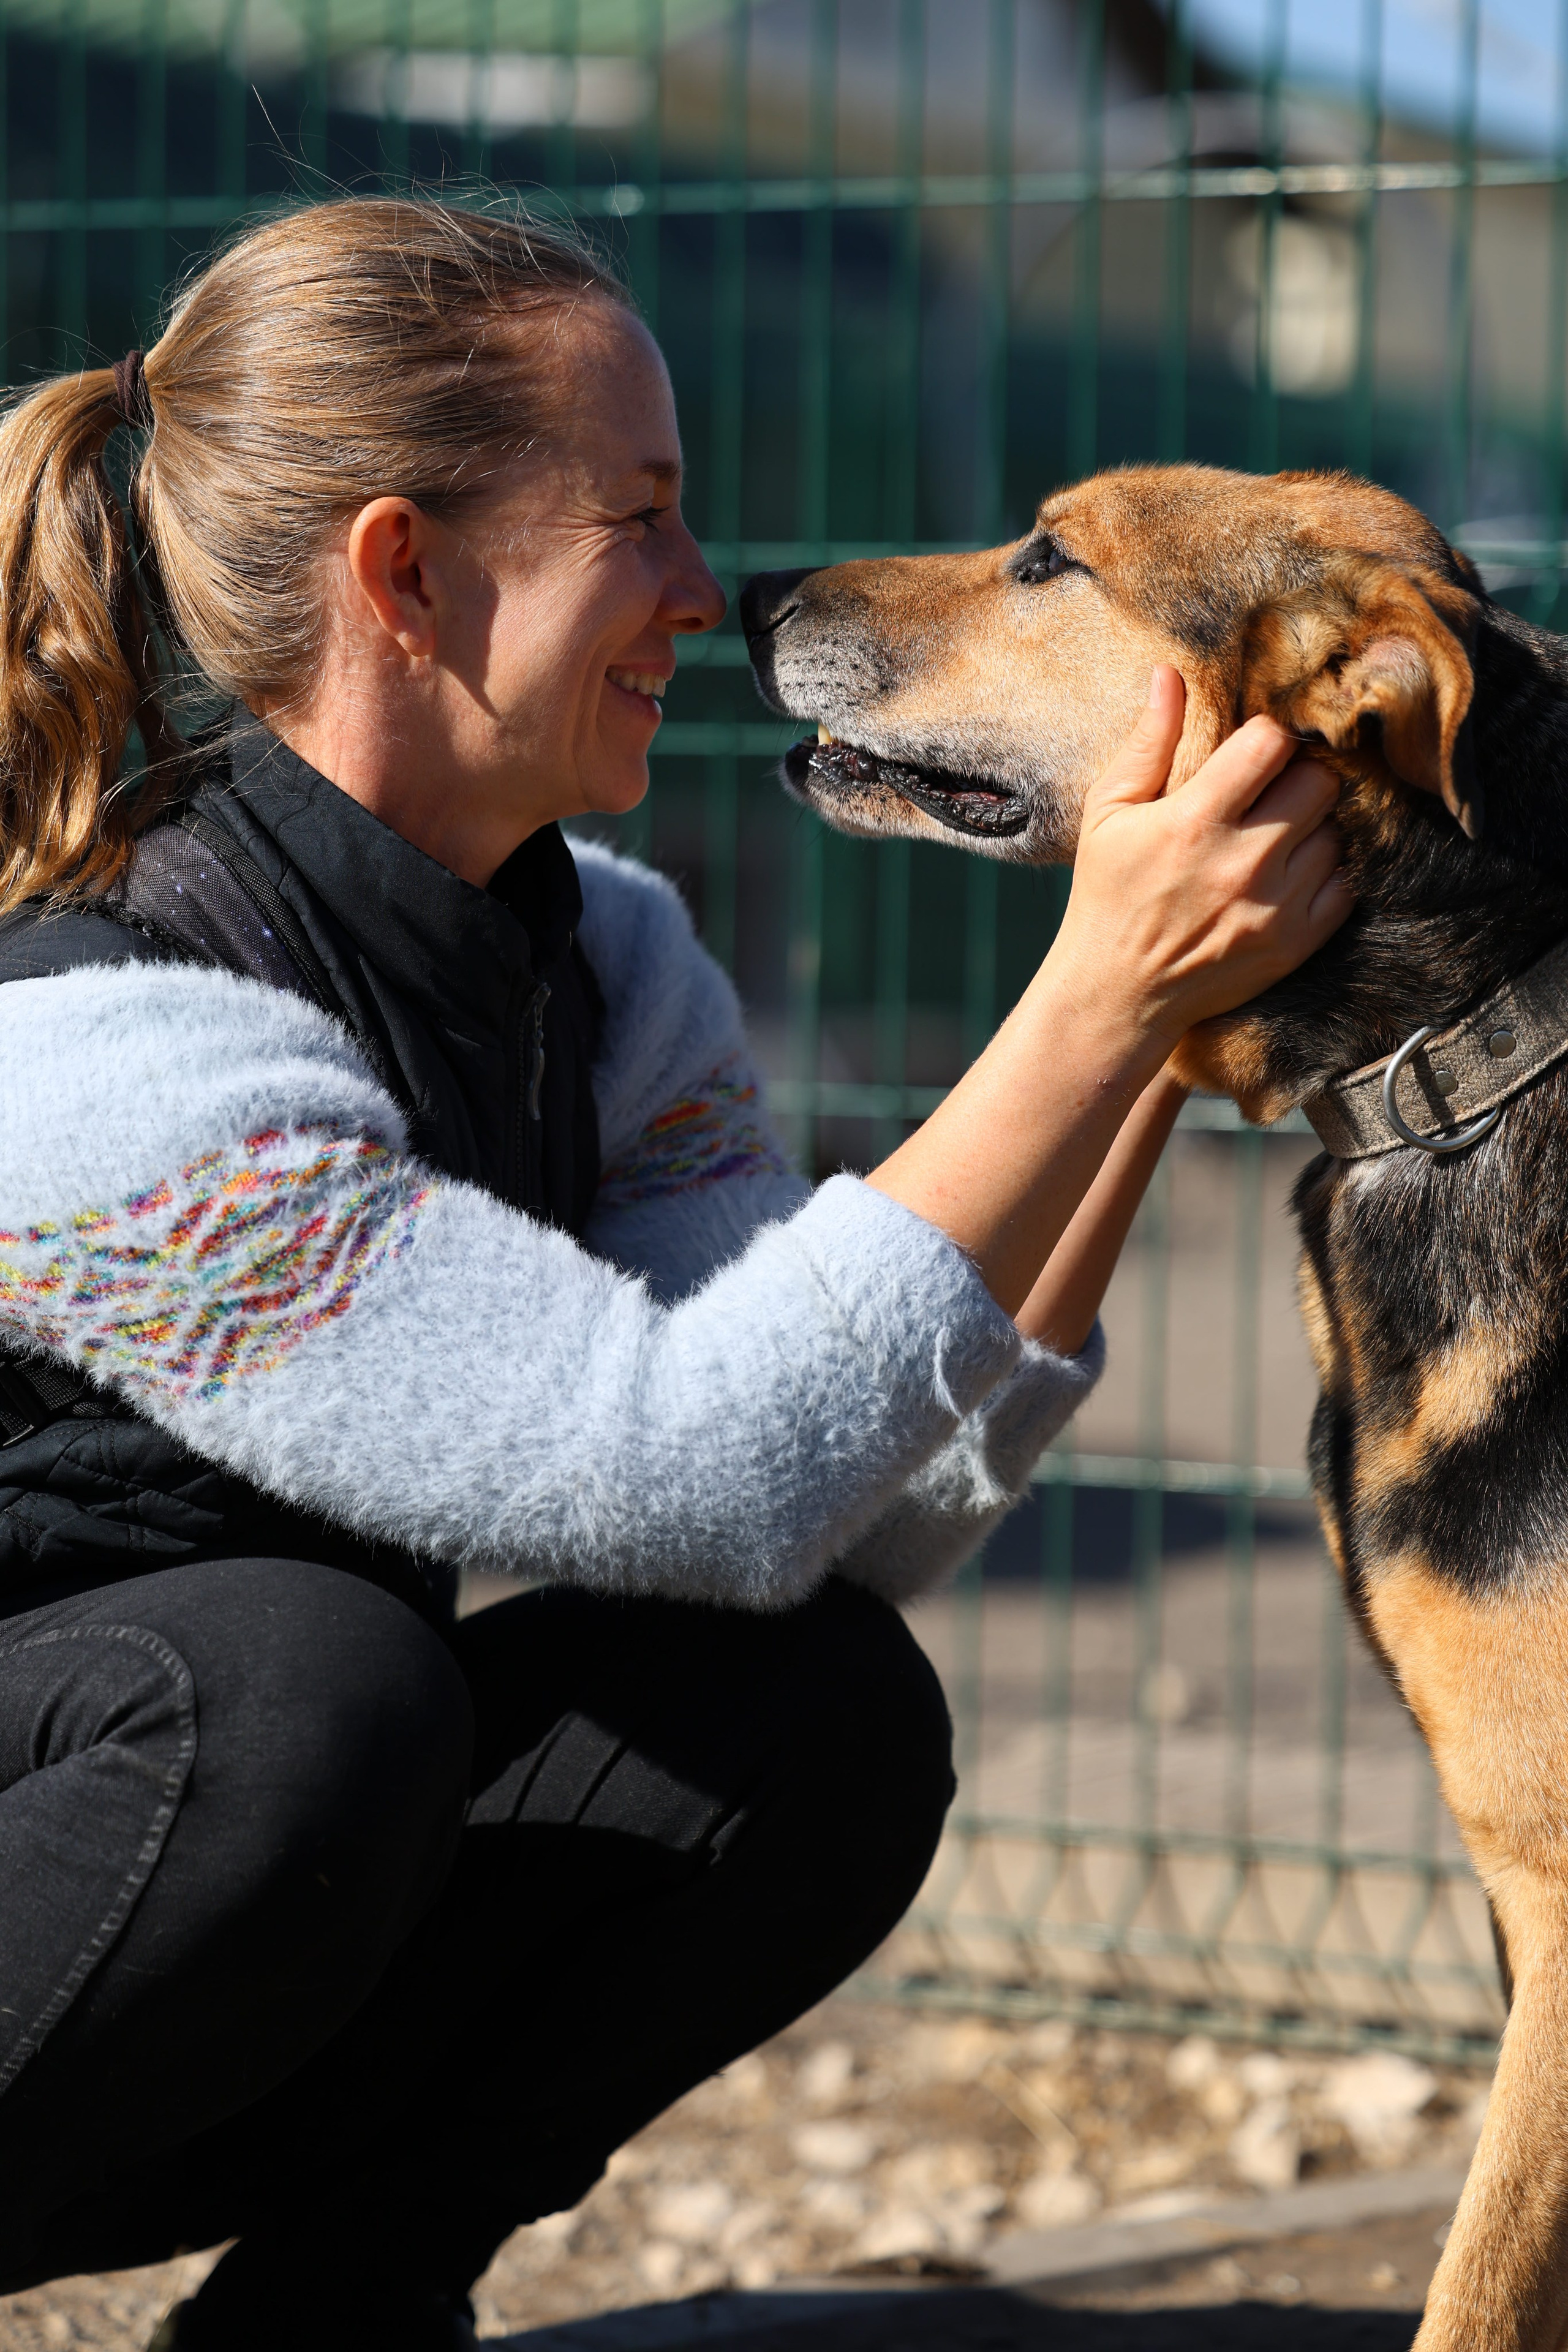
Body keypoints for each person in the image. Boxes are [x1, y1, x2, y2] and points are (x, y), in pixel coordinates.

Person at [0, 198, 1348, 2351]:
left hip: (182, 1932)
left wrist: (1171, 1029)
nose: (703, 596)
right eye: (636, 519)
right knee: (294, 1695)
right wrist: (1096, 995)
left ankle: (326, 2323)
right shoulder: (103, 1061)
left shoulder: (601, 960)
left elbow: (846, 1505)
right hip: (111, 1845)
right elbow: (694, 1466)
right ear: (404, 574)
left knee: (806, 1713)